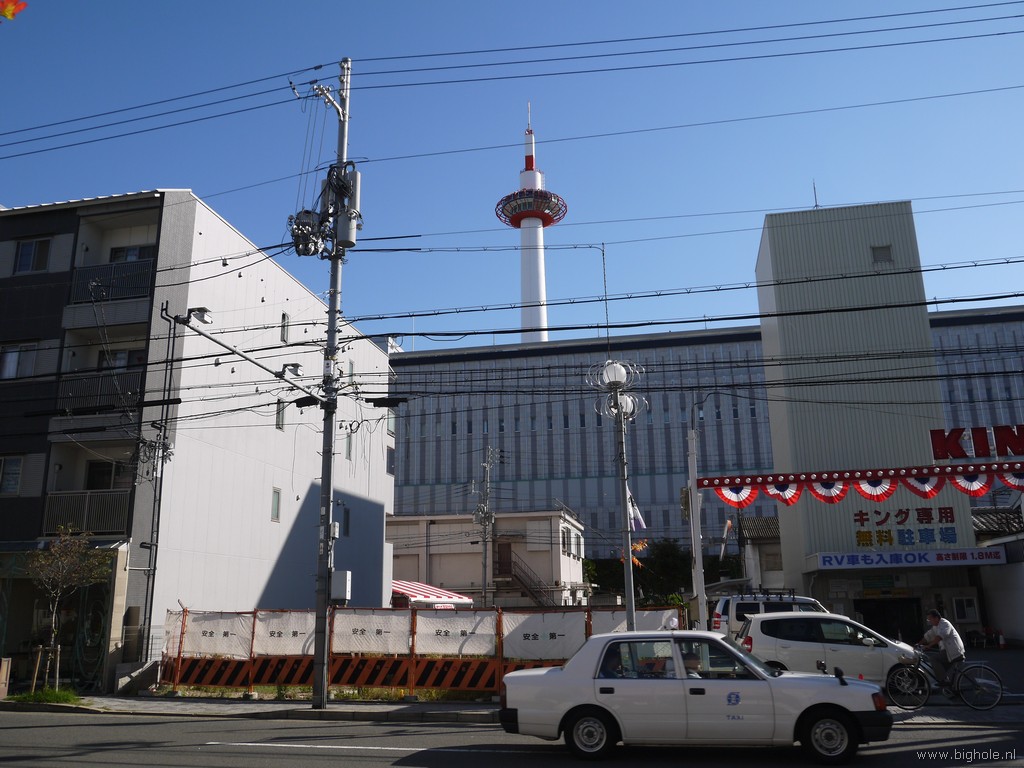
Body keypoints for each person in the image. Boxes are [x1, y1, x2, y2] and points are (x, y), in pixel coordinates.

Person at [917, 609, 965, 690]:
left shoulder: (944, 623)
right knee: (939, 668)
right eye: (928, 620)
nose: (929, 621)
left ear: (936, 618)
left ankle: (943, 681)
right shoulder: (936, 627)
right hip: (948, 651)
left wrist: (928, 646)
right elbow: (928, 636)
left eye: (930, 619)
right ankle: (951, 688)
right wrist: (919, 644)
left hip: (954, 651)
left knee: (934, 659)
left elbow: (940, 637)